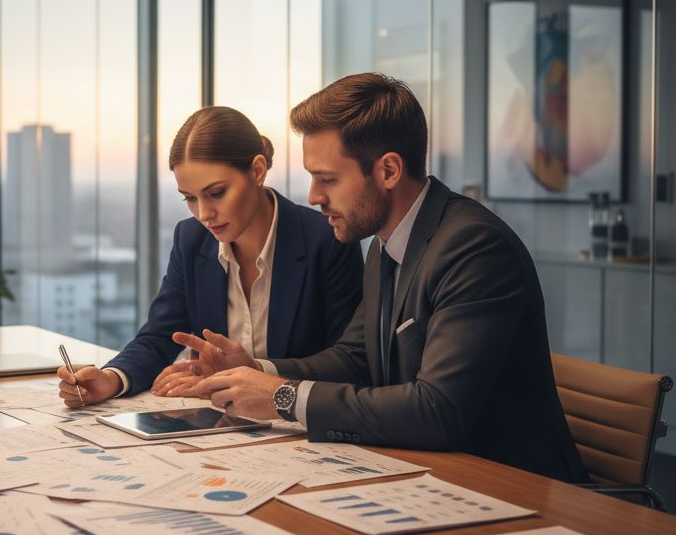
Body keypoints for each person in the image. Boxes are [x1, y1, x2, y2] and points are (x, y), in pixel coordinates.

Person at [174, 73, 588, 483]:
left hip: (513, 486)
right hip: (428, 473)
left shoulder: (474, 249)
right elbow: (355, 359)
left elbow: (438, 409)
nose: (314, 196)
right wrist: (257, 368)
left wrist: (283, 397)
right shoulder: (387, 242)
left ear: (388, 170)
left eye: (328, 179)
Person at [57, 105, 364, 406]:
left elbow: (349, 362)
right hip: (221, 421)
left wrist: (258, 371)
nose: (204, 214)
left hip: (302, 424)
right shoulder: (190, 239)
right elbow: (160, 336)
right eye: (190, 198)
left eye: (216, 193)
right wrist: (112, 379)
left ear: (257, 171)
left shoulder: (326, 239)